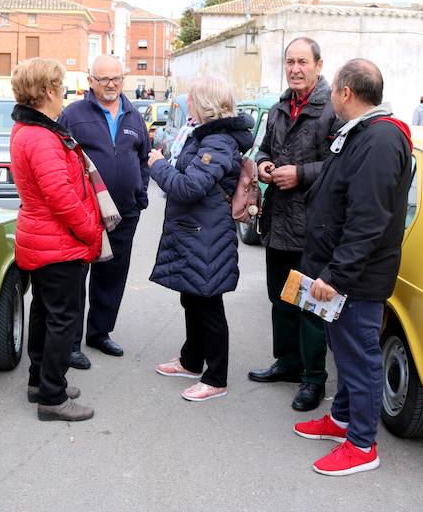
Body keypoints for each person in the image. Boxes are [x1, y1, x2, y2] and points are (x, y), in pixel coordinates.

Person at [293, 59, 413, 476]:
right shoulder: (365, 133)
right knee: (344, 353)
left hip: (356, 280)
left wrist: (335, 276)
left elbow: (368, 219)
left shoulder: (380, 140)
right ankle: (342, 420)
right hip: (343, 272)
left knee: (360, 359)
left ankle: (362, 444)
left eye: (335, 94)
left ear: (345, 92)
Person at [248, 37, 340, 412]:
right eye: (290, 62)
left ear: (319, 65)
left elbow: (340, 166)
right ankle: (287, 362)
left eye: (302, 61)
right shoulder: (279, 107)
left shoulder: (332, 110)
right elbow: (263, 149)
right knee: (280, 300)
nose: (295, 68)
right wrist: (265, 165)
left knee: (311, 307)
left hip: (313, 229)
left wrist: (301, 174)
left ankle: (313, 380)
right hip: (280, 223)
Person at [9, 57, 103, 422]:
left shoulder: (27, 130)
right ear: (47, 91)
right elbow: (60, 195)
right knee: (63, 318)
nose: (64, 94)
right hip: (56, 241)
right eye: (61, 87)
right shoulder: (41, 136)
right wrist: (90, 231)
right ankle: (53, 395)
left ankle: (41, 382)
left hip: (42, 238)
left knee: (46, 312)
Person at [149, 77, 253, 401]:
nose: (188, 105)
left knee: (208, 304)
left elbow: (188, 187)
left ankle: (216, 377)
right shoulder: (207, 136)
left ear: (204, 104)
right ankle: (192, 360)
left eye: (192, 100)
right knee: (192, 296)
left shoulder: (218, 142)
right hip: (195, 231)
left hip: (207, 234)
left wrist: (158, 165)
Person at [59, 54, 150, 369]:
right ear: (90, 80)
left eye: (116, 79)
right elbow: (60, 160)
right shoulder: (72, 115)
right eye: (104, 79)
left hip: (125, 211)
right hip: (84, 213)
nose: (111, 85)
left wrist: (141, 194)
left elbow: (142, 157)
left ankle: (99, 332)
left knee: (112, 275)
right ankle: (70, 343)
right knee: (76, 277)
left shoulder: (133, 115)